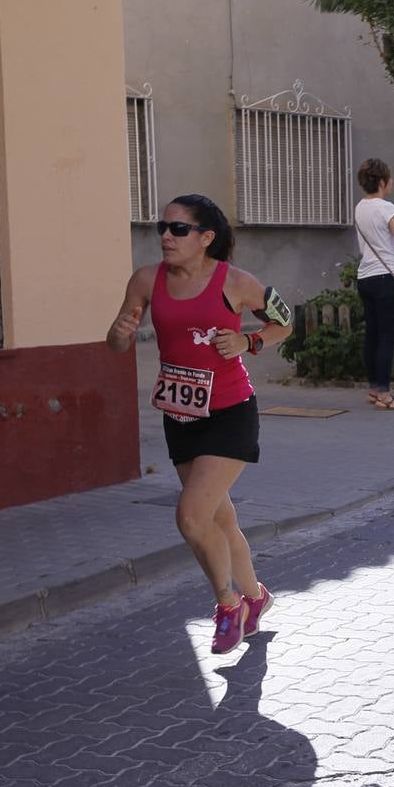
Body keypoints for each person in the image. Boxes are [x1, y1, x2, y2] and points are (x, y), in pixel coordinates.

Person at [106, 195, 292, 654]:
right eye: (162, 228)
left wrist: (249, 339)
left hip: (230, 413)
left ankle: (228, 605)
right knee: (218, 519)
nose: (167, 236)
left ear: (206, 238)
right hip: (181, 415)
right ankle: (256, 597)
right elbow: (114, 341)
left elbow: (285, 322)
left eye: (179, 229)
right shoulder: (147, 280)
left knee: (191, 516)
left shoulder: (237, 283)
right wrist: (120, 333)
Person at [354, 157, 394, 410]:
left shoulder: (359, 207)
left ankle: (373, 388)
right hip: (386, 277)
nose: (391, 183)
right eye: (389, 180)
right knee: (387, 338)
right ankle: (385, 394)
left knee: (373, 335)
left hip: (365, 277)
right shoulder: (386, 208)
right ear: (381, 182)